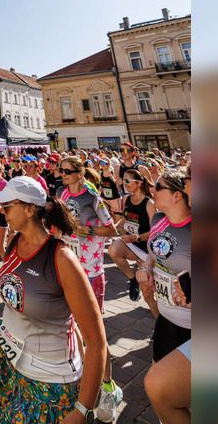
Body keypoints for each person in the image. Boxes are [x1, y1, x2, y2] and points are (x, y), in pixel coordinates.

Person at [0, 175, 106, 424]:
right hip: (6, 343)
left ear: (29, 209)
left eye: (7, 205)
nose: (2, 211)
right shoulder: (14, 242)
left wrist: (83, 411)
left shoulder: (62, 259)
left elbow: (97, 341)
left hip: (49, 374)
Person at [57, 155, 125, 422]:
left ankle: (109, 388)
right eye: (61, 171)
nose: (63, 175)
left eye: (68, 171)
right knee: (73, 327)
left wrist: (89, 230)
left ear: (80, 173)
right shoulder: (63, 193)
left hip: (91, 272)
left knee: (95, 335)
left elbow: (111, 229)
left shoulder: (92, 197)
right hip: (70, 267)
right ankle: (88, 375)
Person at [134, 170, 191, 363]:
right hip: (165, 314)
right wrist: (147, 268)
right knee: (157, 367)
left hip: (190, 321)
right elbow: (154, 249)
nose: (152, 190)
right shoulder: (158, 219)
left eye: (158, 187)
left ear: (177, 196)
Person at [107, 167, 157, 302]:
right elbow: (125, 218)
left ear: (139, 183)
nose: (125, 184)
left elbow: (155, 232)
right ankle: (132, 279)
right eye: (123, 181)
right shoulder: (126, 199)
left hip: (147, 248)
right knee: (113, 249)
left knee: (148, 293)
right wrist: (113, 228)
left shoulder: (149, 204)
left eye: (128, 181)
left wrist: (137, 237)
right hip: (132, 243)